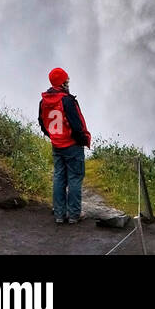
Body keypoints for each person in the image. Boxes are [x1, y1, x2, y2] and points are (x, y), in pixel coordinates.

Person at [38, 67, 92, 225]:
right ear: (62, 83)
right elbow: (76, 126)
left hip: (57, 145)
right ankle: (74, 215)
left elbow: (42, 122)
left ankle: (59, 214)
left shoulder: (44, 101)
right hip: (71, 146)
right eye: (66, 81)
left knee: (59, 177)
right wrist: (82, 140)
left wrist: (53, 136)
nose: (68, 83)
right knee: (75, 178)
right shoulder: (67, 101)